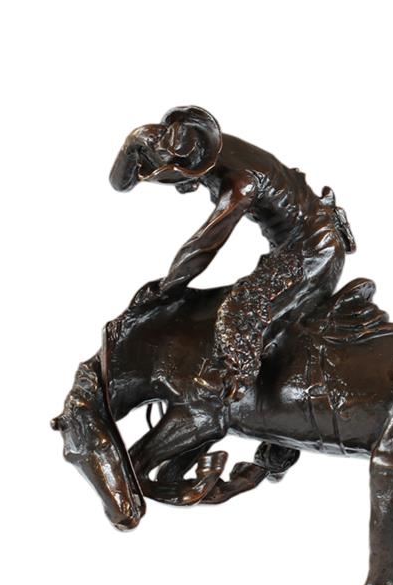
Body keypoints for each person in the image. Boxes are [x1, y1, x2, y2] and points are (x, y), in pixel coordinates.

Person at [109, 106, 355, 401]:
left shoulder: (241, 182)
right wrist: (132, 143)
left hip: (313, 252)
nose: (178, 188)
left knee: (239, 312)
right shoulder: (205, 144)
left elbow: (205, 243)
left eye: (176, 179)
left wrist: (168, 286)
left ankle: (230, 386)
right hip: (292, 246)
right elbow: (119, 184)